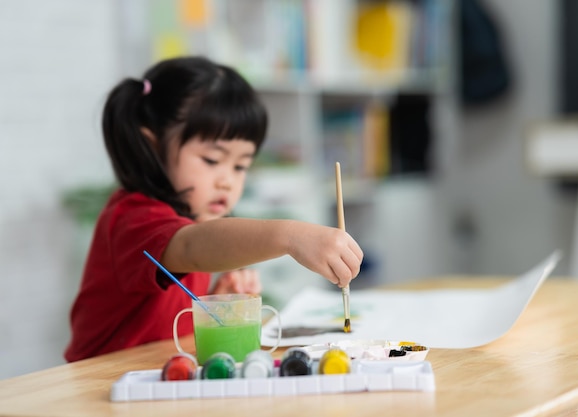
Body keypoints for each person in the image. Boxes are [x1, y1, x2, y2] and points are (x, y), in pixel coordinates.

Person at [64, 56, 363, 362]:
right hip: (97, 385)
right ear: (153, 147)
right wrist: (290, 236)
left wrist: (218, 303)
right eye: (211, 160)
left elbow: (165, 324)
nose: (226, 181)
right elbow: (192, 245)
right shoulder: (133, 218)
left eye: (240, 166)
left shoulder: (189, 219)